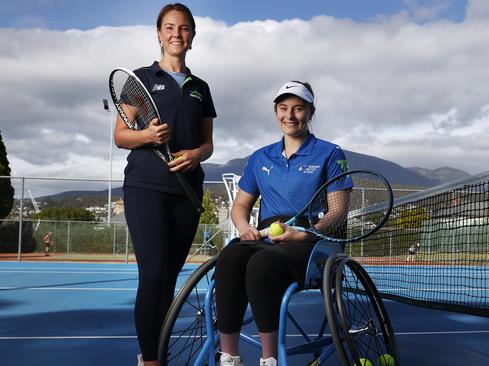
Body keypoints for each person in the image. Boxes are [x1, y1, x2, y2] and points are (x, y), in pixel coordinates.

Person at [213, 80, 351, 366]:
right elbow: (239, 206)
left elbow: (337, 211)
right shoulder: (261, 157)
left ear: (310, 112)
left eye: (298, 108)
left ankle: (269, 359)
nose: (290, 115)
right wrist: (244, 228)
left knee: (261, 266)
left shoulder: (330, 153)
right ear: (276, 111)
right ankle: (230, 356)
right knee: (229, 258)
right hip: (267, 237)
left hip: (311, 243)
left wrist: (303, 235)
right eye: (283, 108)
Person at [112, 4, 216, 366]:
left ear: (192, 36)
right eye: (169, 27)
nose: (176, 34)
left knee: (169, 279)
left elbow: (208, 144)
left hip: (187, 193)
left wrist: (195, 155)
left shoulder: (200, 88)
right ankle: (150, 360)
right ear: (159, 34)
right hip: (146, 188)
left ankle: (159, 353)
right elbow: (121, 136)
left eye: (184, 28)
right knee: (153, 274)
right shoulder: (140, 79)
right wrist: (147, 135)